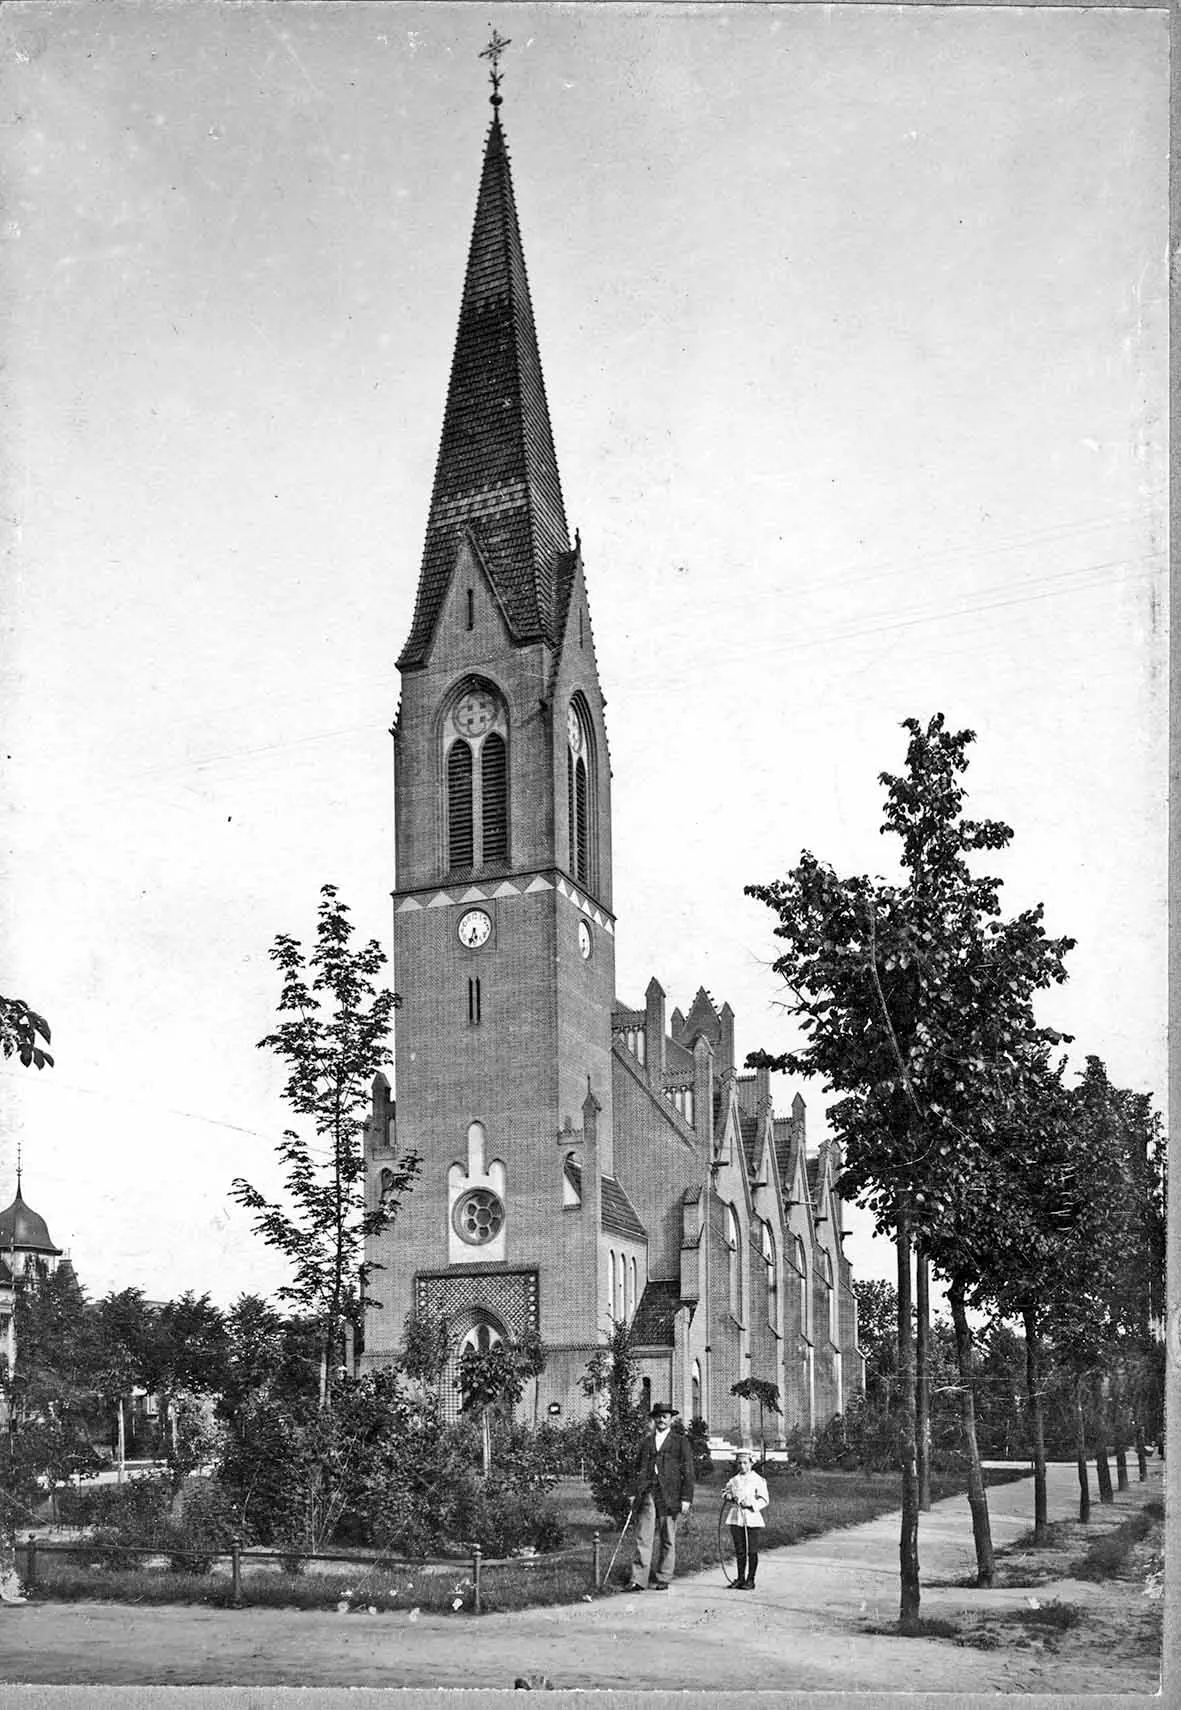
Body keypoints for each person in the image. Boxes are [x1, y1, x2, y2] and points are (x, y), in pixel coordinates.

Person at [628, 1401, 694, 1590]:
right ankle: (638, 1579)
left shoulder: (680, 1441)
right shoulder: (647, 1442)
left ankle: (664, 1577)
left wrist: (686, 1498)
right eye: (658, 1416)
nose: (661, 1420)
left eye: (665, 1416)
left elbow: (688, 1472)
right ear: (653, 1419)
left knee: (667, 1536)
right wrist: (633, 1492)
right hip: (647, 1493)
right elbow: (637, 1469)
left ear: (671, 1419)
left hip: (670, 1495)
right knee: (643, 1536)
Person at [721, 1449, 769, 1589]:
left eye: (745, 1463)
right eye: (739, 1463)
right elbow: (725, 1492)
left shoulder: (758, 1480)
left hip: (752, 1518)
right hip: (736, 1518)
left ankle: (751, 1579)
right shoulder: (734, 1480)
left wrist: (751, 1504)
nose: (742, 1466)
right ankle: (740, 1578)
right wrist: (728, 1496)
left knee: (751, 1550)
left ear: (751, 1463)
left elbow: (764, 1499)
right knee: (740, 1550)